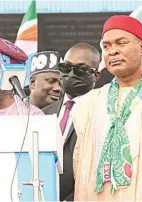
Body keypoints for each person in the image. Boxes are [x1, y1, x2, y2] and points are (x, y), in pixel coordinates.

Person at [72, 15, 142, 201]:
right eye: (106, 46)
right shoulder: (91, 102)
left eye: (121, 43)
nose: (113, 52)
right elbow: (80, 159)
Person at [42, 43, 100, 202]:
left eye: (80, 69)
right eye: (66, 67)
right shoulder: (44, 114)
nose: (71, 74)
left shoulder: (103, 112)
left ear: (96, 75)